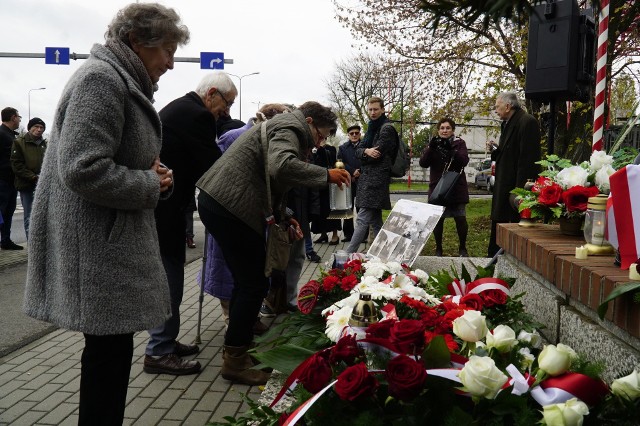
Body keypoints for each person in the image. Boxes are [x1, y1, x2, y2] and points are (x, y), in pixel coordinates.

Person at [22, 4, 189, 424]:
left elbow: (113, 157)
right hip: (99, 246)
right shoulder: (102, 80)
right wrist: (151, 184)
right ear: (137, 41)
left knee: (110, 353)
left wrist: (156, 173)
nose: (170, 62)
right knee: (107, 356)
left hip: (106, 242)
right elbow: (82, 167)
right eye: (167, 50)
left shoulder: (117, 79)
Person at [197, 101, 350, 385]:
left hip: (223, 203)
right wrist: (325, 175)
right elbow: (282, 166)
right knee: (253, 284)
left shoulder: (288, 127)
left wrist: (285, 215)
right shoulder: (291, 126)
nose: (321, 142)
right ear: (309, 121)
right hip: (229, 205)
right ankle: (235, 360)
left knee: (250, 283)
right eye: (322, 134)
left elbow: (271, 179)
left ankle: (238, 352)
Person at [144, 71, 237, 376]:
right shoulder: (197, 115)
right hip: (165, 208)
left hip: (167, 205)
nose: (227, 112)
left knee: (170, 273)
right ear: (212, 93)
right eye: (227, 103)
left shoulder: (182, 107)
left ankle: (165, 341)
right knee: (169, 277)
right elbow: (213, 167)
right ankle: (158, 350)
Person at [203, 103, 290, 329]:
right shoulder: (234, 137)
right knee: (227, 270)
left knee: (249, 273)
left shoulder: (270, 141)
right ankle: (231, 319)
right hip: (229, 213)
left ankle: (248, 317)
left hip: (252, 216)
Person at [487, 92, 541, 257]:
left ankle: (502, 258)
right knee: (499, 225)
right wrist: (497, 150)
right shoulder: (509, 123)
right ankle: (494, 258)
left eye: (497, 106)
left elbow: (528, 160)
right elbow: (510, 153)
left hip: (514, 190)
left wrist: (519, 193)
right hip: (504, 184)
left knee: (511, 227)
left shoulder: (527, 122)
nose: (496, 110)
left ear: (508, 106)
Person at [346, 96, 398, 254]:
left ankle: (346, 256)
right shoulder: (371, 127)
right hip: (369, 180)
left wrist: (365, 152)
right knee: (375, 221)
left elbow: (377, 154)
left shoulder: (386, 128)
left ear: (382, 110)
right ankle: (385, 252)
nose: (373, 112)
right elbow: (359, 151)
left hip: (376, 181)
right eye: (370, 109)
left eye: (376, 109)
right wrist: (366, 150)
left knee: (362, 219)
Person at [419, 118, 470, 257]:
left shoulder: (459, 143)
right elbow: (423, 163)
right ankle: (438, 248)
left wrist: (451, 151)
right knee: (438, 220)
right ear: (438, 130)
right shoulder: (434, 144)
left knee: (460, 218)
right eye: (442, 128)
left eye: (448, 128)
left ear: (452, 130)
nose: (444, 130)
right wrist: (431, 148)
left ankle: (462, 247)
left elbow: (464, 160)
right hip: (438, 188)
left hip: (456, 187)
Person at [10, 117, 47, 240]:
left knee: (43, 215)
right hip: (27, 185)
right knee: (29, 216)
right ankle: (31, 244)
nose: (39, 130)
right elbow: (17, 165)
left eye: (41, 128)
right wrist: (33, 177)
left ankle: (42, 242)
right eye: (36, 127)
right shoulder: (19, 142)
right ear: (30, 128)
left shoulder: (45, 144)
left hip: (43, 185)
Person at [0, 107, 23, 250]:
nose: (20, 119)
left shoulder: (10, 135)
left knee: (8, 211)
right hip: (2, 180)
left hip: (10, 181)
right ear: (13, 117)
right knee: (2, 211)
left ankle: (5, 240)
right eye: (18, 116)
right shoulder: (2, 134)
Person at [310, 142, 341, 245]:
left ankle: (335, 235)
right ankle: (323, 234)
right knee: (320, 211)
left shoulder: (331, 148)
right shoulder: (312, 149)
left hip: (329, 184)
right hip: (317, 184)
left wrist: (321, 149)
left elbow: (332, 161)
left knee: (331, 210)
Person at [338, 124, 362, 242]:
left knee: (361, 208)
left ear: (359, 134)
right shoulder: (342, 148)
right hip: (348, 180)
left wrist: (360, 171)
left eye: (356, 133)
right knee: (348, 207)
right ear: (348, 135)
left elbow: (368, 161)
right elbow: (340, 162)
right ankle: (348, 235)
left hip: (363, 180)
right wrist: (352, 172)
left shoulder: (365, 146)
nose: (354, 135)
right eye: (351, 133)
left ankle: (362, 235)